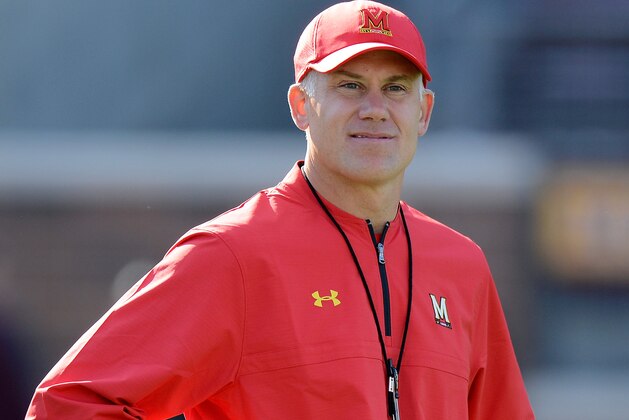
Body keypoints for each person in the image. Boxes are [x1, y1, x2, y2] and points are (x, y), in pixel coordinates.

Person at [26, 1, 534, 418]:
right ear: (299, 106)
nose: (375, 107)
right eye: (349, 85)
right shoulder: (232, 255)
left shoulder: (462, 265)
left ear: (423, 113)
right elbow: (67, 404)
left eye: (396, 88)